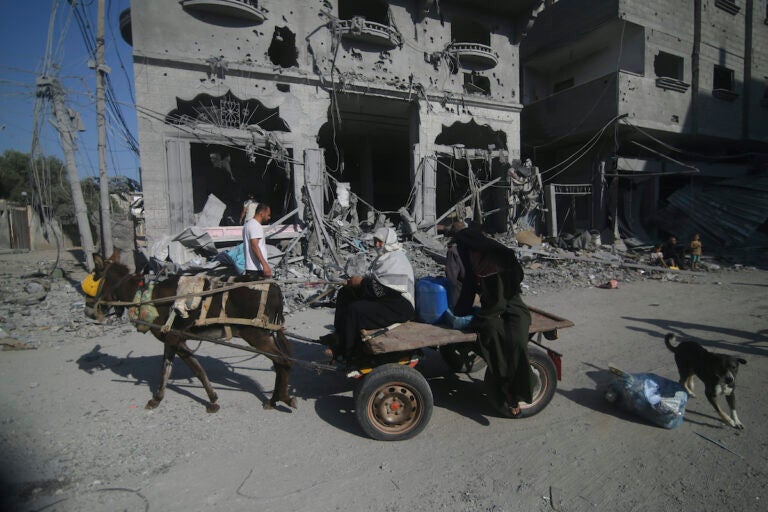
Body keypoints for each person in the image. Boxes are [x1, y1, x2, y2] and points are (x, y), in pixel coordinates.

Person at [450, 223, 533, 417]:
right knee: (493, 337)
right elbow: (470, 286)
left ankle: (519, 390)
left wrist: (464, 311)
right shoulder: (473, 254)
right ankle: (506, 388)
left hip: (512, 306)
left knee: (517, 342)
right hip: (491, 310)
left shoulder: (495, 254)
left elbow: (504, 293)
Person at [327, 227, 415, 360]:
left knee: (355, 309)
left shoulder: (396, 259)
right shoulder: (384, 258)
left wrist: (360, 283)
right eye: (375, 241)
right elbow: (376, 282)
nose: (377, 245)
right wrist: (353, 283)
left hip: (399, 306)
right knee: (345, 293)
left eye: (380, 241)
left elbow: (383, 290)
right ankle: (339, 335)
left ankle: (348, 352)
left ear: (388, 241)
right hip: (387, 299)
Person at [242, 203, 272, 279]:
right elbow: (254, 246)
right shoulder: (255, 226)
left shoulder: (248, 224)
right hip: (256, 269)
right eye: (268, 215)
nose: (269, 217)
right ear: (261, 214)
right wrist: (265, 265)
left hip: (252, 268)